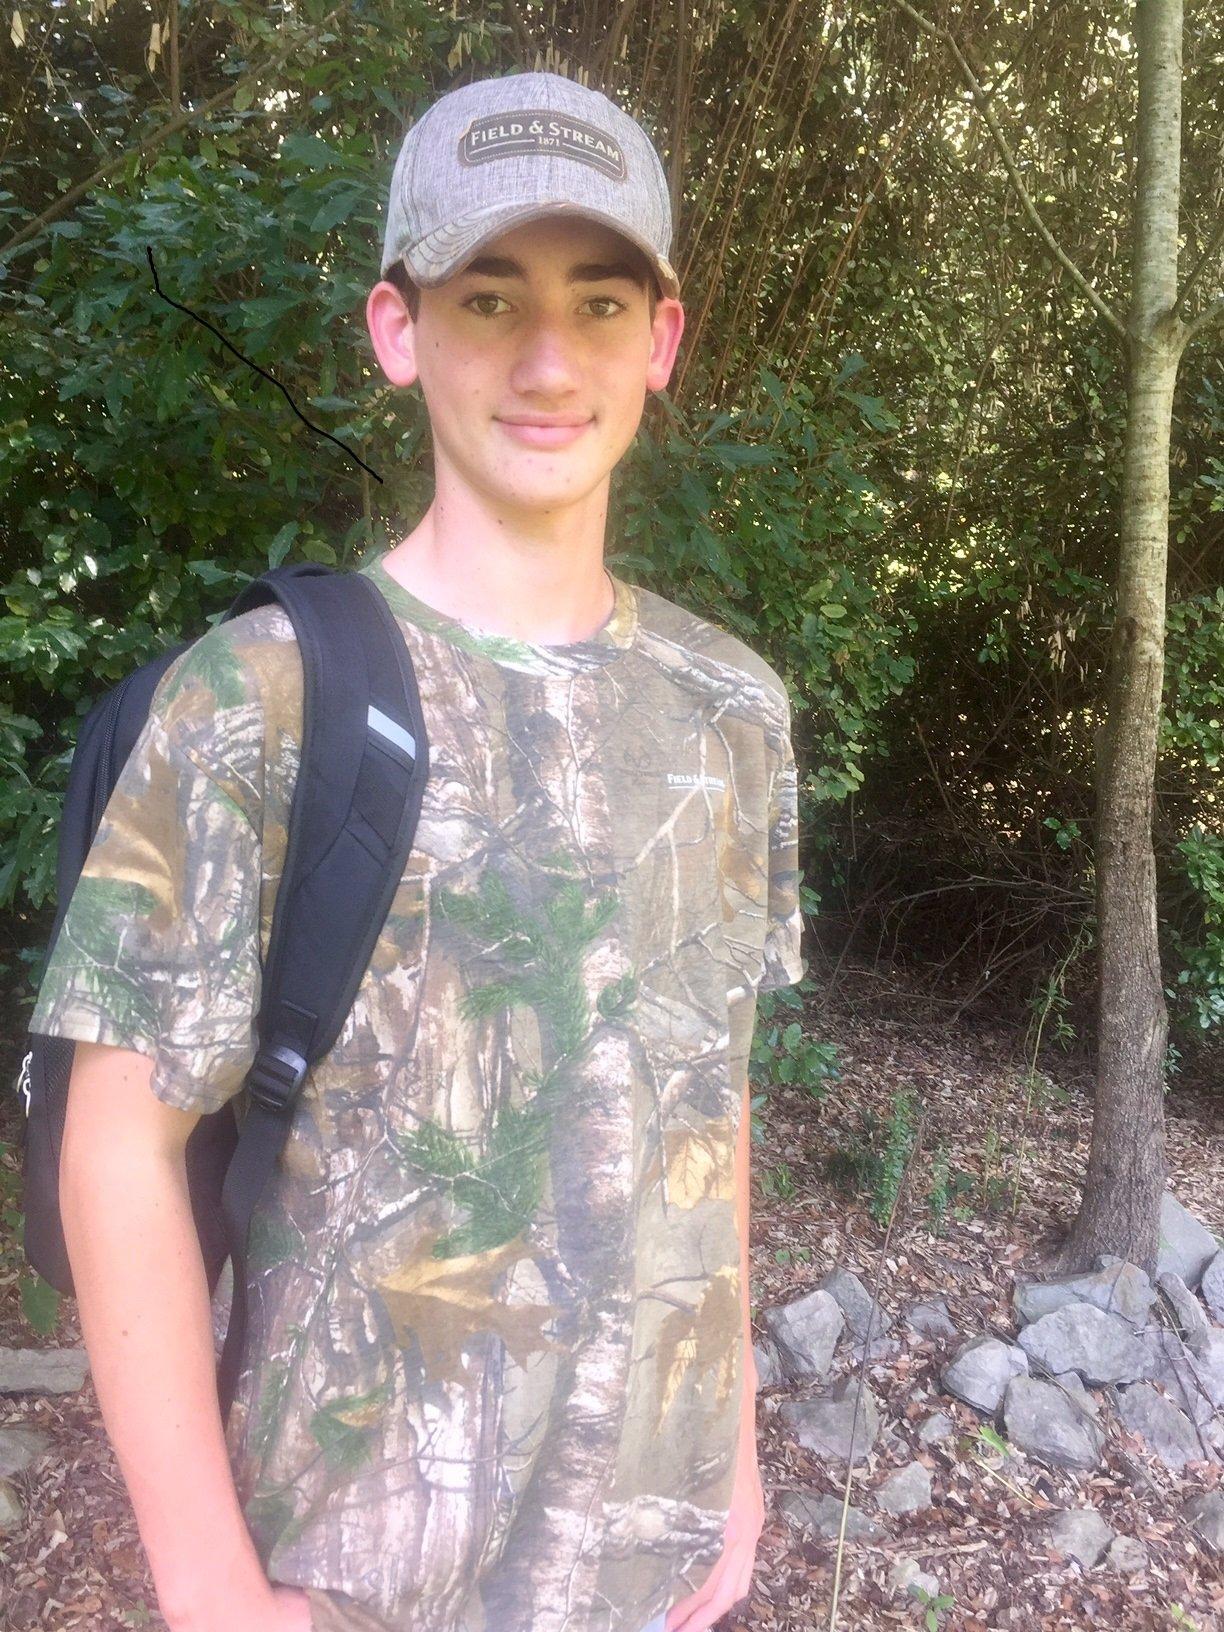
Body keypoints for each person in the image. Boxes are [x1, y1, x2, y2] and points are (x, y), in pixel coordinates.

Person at [29, 69, 804, 1632]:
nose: (543, 357)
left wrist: (729, 1449)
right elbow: (117, 1140)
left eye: (597, 303)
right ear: (399, 329)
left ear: (661, 339)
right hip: (362, 1576)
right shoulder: (256, 702)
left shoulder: (733, 707)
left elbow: (701, 1086)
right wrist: (208, 1589)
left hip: (649, 1571)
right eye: (486, 297)